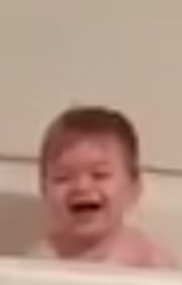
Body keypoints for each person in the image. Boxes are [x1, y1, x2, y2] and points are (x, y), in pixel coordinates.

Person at [33, 106, 174, 268]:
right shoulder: (42, 260)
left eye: (100, 175)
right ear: (43, 190)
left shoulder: (147, 257)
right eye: (62, 178)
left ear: (134, 189)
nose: (81, 186)